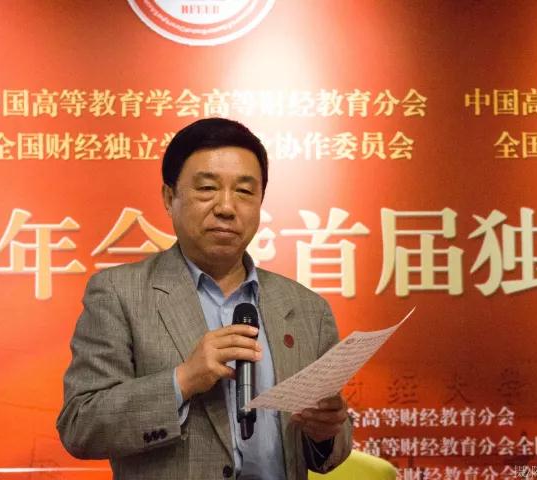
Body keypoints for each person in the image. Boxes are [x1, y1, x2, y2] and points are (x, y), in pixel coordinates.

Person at [57, 118, 352, 479]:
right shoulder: (120, 293)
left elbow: (332, 450)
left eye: (244, 191)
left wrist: (325, 434)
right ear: (170, 198)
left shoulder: (307, 309)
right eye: (208, 188)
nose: (226, 207)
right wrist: (182, 380)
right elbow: (81, 423)